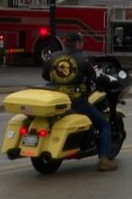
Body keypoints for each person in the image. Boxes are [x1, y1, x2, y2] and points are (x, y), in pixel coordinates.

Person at [42, 32, 117, 171]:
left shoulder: (53, 56)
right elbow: (93, 77)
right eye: (82, 42)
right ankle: (104, 160)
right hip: (76, 101)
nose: (82, 44)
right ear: (77, 43)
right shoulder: (83, 59)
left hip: (55, 100)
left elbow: (45, 75)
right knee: (104, 125)